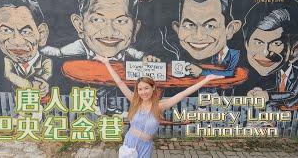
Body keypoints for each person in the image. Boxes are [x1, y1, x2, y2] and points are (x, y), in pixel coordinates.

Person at [41, 0, 159, 115]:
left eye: (121, 21)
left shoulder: (131, 57)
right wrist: (40, 48)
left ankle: (111, 108)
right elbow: (59, 52)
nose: (109, 32)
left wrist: (147, 59)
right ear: (80, 25)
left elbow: (140, 56)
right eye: (97, 19)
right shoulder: (70, 56)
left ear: (135, 29)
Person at [94, 55, 223, 158]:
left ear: (153, 88)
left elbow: (183, 93)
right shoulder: (135, 101)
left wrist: (206, 80)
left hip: (145, 146)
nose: (143, 92)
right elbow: (119, 82)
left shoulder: (160, 106)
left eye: (146, 88)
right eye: (140, 89)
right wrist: (106, 63)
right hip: (129, 143)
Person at [0, 0, 52, 99]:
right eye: (6, 30)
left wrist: (43, 86)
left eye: (26, 31)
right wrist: (31, 86)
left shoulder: (47, 62)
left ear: (41, 34)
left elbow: (47, 77)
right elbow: (9, 75)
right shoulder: (3, 65)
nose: (17, 41)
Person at [172, 0, 242, 77]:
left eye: (210, 26)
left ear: (230, 30)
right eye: (189, 25)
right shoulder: (176, 56)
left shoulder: (233, 54)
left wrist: (202, 72)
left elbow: (230, 73)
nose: (198, 36)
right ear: (178, 29)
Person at [243, 0, 298, 109]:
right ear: (246, 44)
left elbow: (292, 95)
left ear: (294, 49)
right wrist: (257, 94)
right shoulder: (271, 74)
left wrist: (268, 96)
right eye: (258, 42)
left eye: (276, 43)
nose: (265, 52)